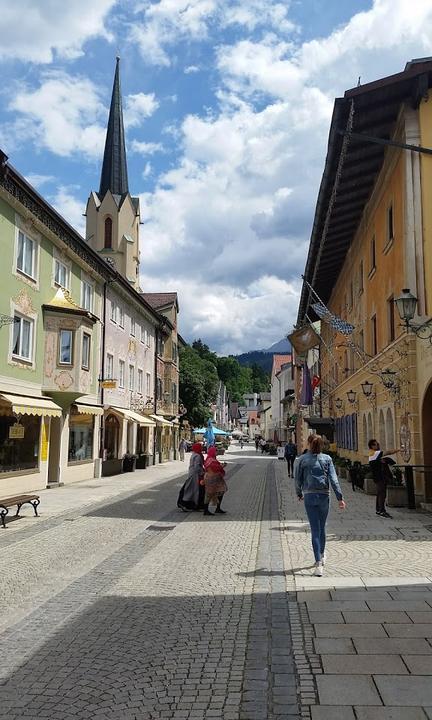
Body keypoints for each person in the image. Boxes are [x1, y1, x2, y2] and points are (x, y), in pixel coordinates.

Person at [295, 434, 346, 576]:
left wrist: (299, 493)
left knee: (314, 529)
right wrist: (340, 498)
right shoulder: (327, 459)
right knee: (322, 527)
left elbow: (297, 479)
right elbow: (334, 480)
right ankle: (322, 555)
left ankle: (318, 563)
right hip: (324, 495)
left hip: (309, 495)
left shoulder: (302, 459)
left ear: (309, 443)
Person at [368, 438, 398, 518]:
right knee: (382, 493)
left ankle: (378, 509)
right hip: (379, 477)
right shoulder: (374, 453)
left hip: (378, 477)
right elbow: (387, 452)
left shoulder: (374, 454)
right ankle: (382, 510)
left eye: (378, 444)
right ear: (372, 446)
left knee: (380, 493)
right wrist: (398, 450)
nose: (378, 445)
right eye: (376, 444)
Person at [177, 442, 204, 511]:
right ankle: (187, 503)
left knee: (189, 488)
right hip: (195, 475)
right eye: (200, 447)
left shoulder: (193, 454)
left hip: (191, 473)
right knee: (193, 490)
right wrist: (202, 472)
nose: (202, 448)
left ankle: (189, 504)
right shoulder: (197, 456)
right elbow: (197, 466)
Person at [203, 446, 227, 516]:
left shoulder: (209, 459)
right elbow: (216, 468)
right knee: (219, 491)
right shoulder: (212, 460)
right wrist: (222, 466)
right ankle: (212, 509)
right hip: (213, 478)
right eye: (215, 451)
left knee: (210, 493)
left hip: (209, 478)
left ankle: (209, 509)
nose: (216, 452)